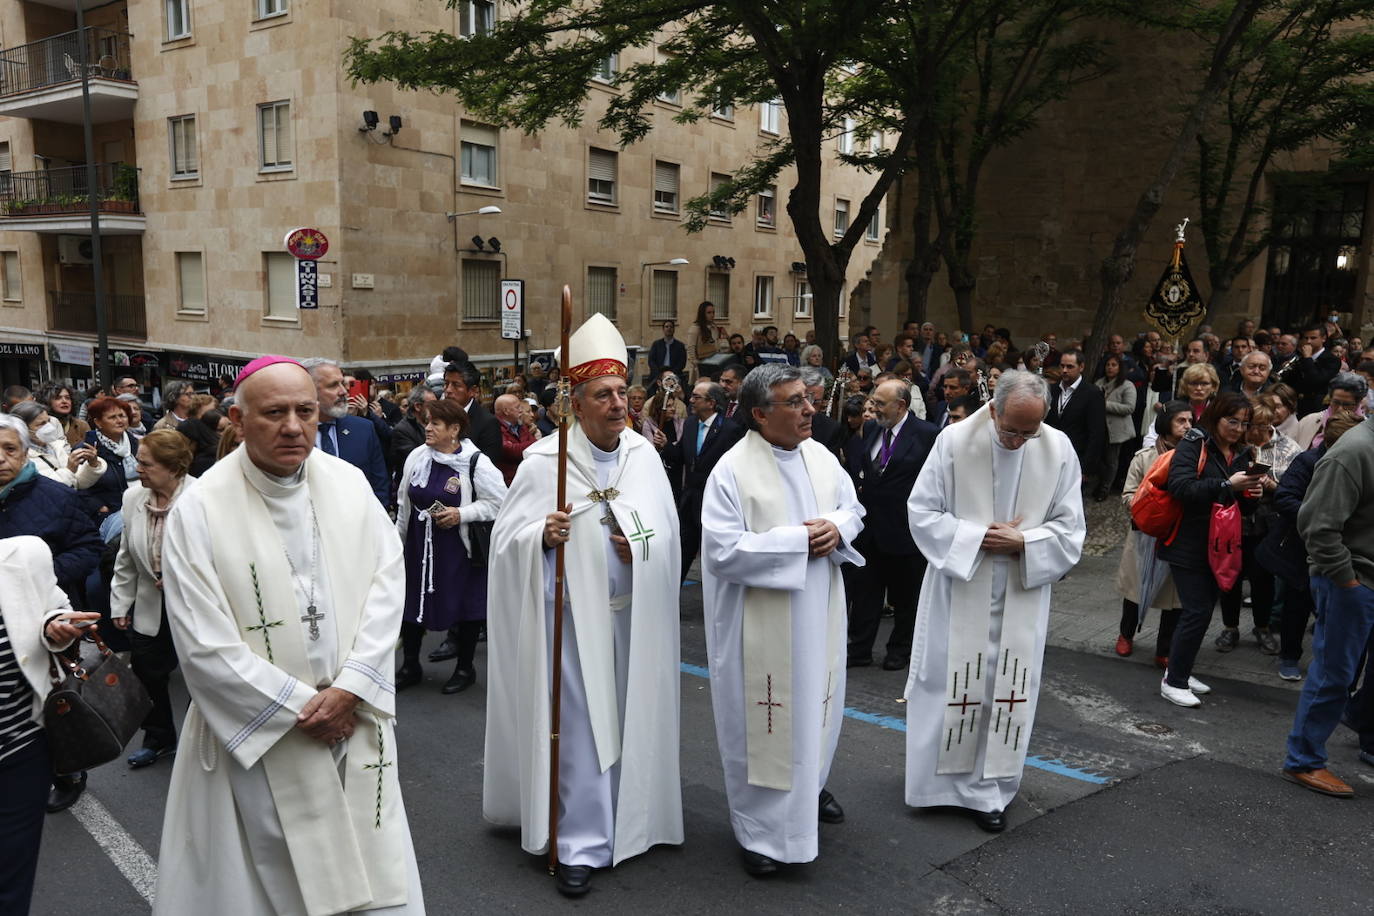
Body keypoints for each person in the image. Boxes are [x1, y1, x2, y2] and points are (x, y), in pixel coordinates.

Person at [153, 356, 424, 915]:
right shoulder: (200, 510)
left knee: (373, 872)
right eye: (274, 413)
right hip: (262, 733)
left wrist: (351, 689)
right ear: (238, 417)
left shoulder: (348, 484)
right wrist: (309, 710)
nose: (294, 427)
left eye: (305, 411)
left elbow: (386, 583)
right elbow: (203, 643)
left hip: (353, 718)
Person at [484, 314, 682, 897]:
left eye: (623, 392)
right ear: (575, 402)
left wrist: (640, 543)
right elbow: (505, 543)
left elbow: (668, 533)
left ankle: (636, 820)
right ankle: (579, 840)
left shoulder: (643, 457)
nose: (619, 403)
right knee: (581, 730)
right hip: (570, 624)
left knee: (631, 713)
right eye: (605, 394)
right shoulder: (546, 462)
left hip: (632, 617)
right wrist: (540, 538)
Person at [699, 364, 864, 876]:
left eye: (807, 399)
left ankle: (808, 789)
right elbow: (723, 552)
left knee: (816, 705)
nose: (810, 409)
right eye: (794, 402)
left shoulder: (820, 456)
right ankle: (762, 834)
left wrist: (835, 528)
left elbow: (852, 508)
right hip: (760, 623)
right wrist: (800, 540)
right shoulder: (730, 470)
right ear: (759, 414)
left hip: (818, 608)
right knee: (766, 720)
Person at [903, 370, 1085, 832]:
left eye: (1031, 431)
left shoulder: (1058, 448)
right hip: (959, 584)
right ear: (992, 409)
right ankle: (933, 787)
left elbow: (1070, 528)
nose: (1021, 441)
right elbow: (922, 511)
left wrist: (1024, 542)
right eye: (1011, 429)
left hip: (1021, 589)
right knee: (947, 684)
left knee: (1005, 689)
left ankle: (989, 792)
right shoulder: (953, 442)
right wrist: (976, 537)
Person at [0, 537, 99, 915]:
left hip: (19, 748)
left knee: (9, 884)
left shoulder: (24, 555)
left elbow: (54, 610)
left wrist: (53, 628)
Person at [1283, 410, 1374, 798]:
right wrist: (1348, 582)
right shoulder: (1354, 452)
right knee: (1335, 673)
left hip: (1360, 580)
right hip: (1350, 581)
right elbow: (1317, 526)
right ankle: (1304, 759)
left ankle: (1358, 722)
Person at [394, 397, 506, 695]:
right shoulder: (418, 456)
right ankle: (410, 665)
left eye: (434, 423)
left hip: (458, 548)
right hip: (419, 546)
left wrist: (461, 514)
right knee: (412, 603)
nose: (427, 427)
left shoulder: (476, 463)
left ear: (454, 429)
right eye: (427, 422)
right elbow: (403, 503)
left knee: (464, 606)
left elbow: (500, 503)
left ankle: (465, 668)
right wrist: (398, 544)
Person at [1157, 392, 1262, 707]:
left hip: (1221, 546)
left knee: (1200, 613)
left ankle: (1180, 670)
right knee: (1197, 611)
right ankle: (1174, 681)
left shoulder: (1241, 451)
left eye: (1244, 424)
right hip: (1188, 541)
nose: (1238, 429)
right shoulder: (1195, 441)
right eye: (1232, 421)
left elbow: (1236, 505)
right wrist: (1229, 485)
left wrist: (1250, 492)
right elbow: (1181, 487)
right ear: (1216, 416)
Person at [110, 430, 195, 769]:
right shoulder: (133, 498)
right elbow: (126, 556)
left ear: (173, 467)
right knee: (148, 673)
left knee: (200, 677)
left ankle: (200, 742)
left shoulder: (203, 497)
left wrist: (179, 580)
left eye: (146, 464)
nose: (138, 469)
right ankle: (159, 737)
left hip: (195, 607)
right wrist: (120, 603)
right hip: (149, 606)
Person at [846, 378, 937, 671]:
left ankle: (900, 650)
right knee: (865, 595)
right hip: (870, 531)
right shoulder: (871, 429)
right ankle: (859, 649)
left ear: (901, 405)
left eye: (880, 404)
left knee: (906, 598)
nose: (873, 408)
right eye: (872, 402)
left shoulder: (927, 435)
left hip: (905, 533)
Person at [1264, 413, 1363, 680]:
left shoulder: (1359, 464)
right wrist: (1316, 516)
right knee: (1297, 606)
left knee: (1334, 615)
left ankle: (1335, 668)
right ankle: (1289, 657)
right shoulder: (1309, 461)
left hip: (1345, 551)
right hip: (1303, 548)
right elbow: (1284, 498)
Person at [1115, 402, 1191, 666]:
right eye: (1181, 420)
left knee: (1174, 597)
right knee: (1135, 590)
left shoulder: (1195, 458)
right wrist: (1149, 507)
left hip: (1178, 535)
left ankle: (1165, 648)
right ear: (1166, 423)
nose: (1187, 426)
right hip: (1144, 533)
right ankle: (1126, 634)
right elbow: (1128, 494)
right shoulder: (1144, 457)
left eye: (1189, 420)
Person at [667, 380, 744, 582]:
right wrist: (665, 446)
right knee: (682, 551)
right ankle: (671, 595)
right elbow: (681, 456)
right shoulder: (691, 424)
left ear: (711, 403)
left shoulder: (730, 430)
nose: (691, 400)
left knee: (711, 554)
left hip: (713, 502)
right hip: (689, 500)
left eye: (696, 397)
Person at [301, 358, 390, 506]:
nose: (344, 391)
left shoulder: (364, 429)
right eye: (333, 385)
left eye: (342, 383)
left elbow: (379, 487)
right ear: (308, 390)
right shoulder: (292, 433)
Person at [8, 400, 105, 490]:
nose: (49, 427)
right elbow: (43, 491)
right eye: (41, 424)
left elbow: (77, 482)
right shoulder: (20, 457)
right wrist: (69, 470)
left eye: (48, 421)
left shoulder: (56, 446)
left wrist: (93, 464)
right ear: (23, 429)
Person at [1048, 350, 1106, 494]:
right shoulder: (1051, 390)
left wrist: (1086, 469)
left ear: (1081, 367)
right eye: (1062, 366)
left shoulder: (1092, 393)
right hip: (1051, 457)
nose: (1064, 370)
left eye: (1070, 366)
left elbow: (1096, 433)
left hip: (1076, 458)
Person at [81, 396, 142, 527]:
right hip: (105, 519)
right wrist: (99, 507)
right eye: (112, 417)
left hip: (138, 511)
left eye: (122, 416)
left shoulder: (136, 445)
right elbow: (76, 485)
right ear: (98, 422)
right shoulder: (87, 449)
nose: (119, 421)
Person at [1095, 354, 1137, 501]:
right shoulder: (1099, 383)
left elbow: (1129, 408)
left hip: (1117, 430)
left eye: (1114, 365)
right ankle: (1101, 483)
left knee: (1111, 460)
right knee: (1099, 459)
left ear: (1120, 368)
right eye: (1108, 365)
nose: (1110, 368)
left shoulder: (1127, 385)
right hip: (1100, 427)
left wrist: (1105, 405)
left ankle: (1105, 489)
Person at [1293, 372, 1367, 449]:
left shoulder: (1366, 431)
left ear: (1358, 403)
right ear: (1330, 399)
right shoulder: (1309, 421)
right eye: (1336, 402)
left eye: (1347, 404)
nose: (1340, 409)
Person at [1288, 323, 1342, 417]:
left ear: (1323, 338)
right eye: (1306, 338)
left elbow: (1316, 381)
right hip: (1295, 407)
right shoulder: (1300, 358)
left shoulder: (1332, 360)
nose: (1308, 341)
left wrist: (1308, 359)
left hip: (1316, 409)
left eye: (1313, 338)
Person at [493, 393, 539, 485]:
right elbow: (512, 451)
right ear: (506, 411)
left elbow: (533, 445)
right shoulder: (493, 427)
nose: (521, 411)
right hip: (508, 483)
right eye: (518, 407)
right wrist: (537, 443)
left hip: (526, 478)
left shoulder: (520, 425)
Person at [35, 383, 90, 449]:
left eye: (67, 398)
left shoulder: (81, 425)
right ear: (46, 401)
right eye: (58, 398)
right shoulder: (39, 426)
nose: (64, 401)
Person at [686, 300, 725, 379]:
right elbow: (691, 349)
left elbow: (717, 346)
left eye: (713, 312)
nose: (712, 315)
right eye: (709, 313)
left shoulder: (714, 328)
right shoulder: (695, 328)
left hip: (714, 363)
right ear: (703, 314)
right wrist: (696, 364)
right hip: (701, 365)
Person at [648, 319, 687, 384]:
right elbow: (651, 361)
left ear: (674, 329)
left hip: (675, 373)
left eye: (671, 327)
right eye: (666, 327)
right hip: (658, 373)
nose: (669, 329)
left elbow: (682, 362)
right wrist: (659, 373)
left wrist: (671, 373)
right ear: (663, 329)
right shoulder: (656, 344)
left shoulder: (680, 346)